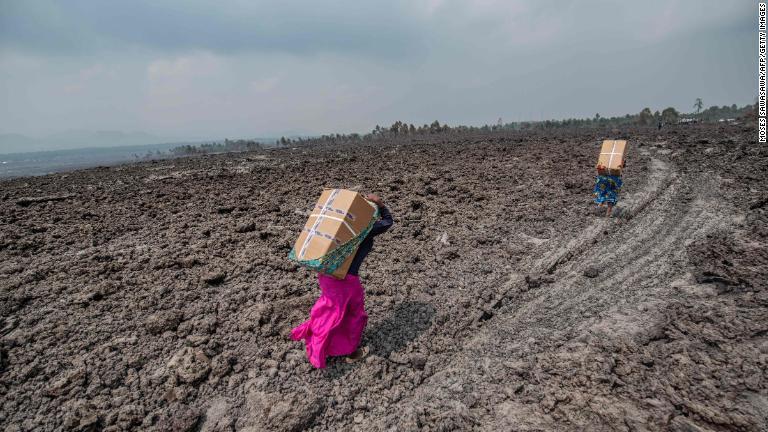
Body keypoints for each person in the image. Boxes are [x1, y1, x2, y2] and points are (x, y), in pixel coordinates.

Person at [290, 194, 393, 368]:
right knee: (353, 315)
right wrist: (381, 205)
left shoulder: (335, 228)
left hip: (325, 274)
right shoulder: (364, 230)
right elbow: (388, 222)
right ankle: (349, 351)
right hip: (346, 281)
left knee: (329, 309)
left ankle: (318, 334)